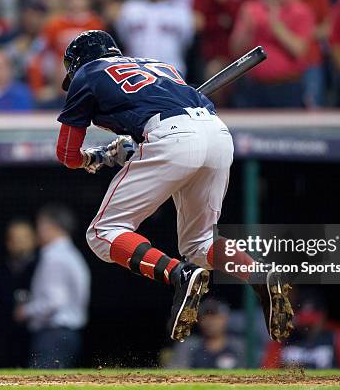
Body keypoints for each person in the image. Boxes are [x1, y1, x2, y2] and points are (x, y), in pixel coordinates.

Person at [54, 30, 294, 343]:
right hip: (216, 134)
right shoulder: (159, 64)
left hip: (172, 136)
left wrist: (94, 155)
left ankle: (178, 274)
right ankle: (258, 273)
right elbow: (152, 112)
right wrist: (122, 147)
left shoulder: (88, 71)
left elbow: (67, 155)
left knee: (103, 233)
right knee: (200, 244)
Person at [14, 204, 90, 368]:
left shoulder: (54, 256)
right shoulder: (71, 254)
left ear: (50, 226)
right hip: (67, 334)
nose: (38, 231)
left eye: (40, 225)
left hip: (54, 334)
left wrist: (25, 311)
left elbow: (54, 301)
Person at [229, 0, 315, 108]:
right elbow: (235, 51)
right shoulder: (250, 9)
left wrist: (276, 25)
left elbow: (299, 50)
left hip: (288, 87)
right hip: (254, 87)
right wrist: (247, 31)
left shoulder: (301, 11)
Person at [0, 219, 38, 367]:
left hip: (33, 334)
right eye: (15, 238)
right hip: (3, 335)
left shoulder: (42, 266)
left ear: (34, 240)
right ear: (8, 242)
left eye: (24, 238)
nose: (19, 243)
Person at [262, 288, 340, 369]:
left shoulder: (338, 334)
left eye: (311, 323)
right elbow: (268, 371)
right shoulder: (284, 336)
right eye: (305, 322)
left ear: (323, 316)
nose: (307, 327)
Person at [114, 0, 194, 75]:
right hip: (134, 70)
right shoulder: (131, 7)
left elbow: (186, 41)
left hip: (171, 70)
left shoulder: (181, 10)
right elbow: (123, 36)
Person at [168, 299, 245, 368]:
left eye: (214, 316)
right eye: (205, 317)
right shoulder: (189, 346)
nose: (210, 322)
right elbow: (177, 373)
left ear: (224, 319)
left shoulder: (238, 346)